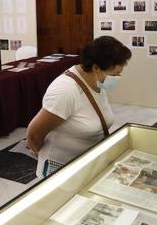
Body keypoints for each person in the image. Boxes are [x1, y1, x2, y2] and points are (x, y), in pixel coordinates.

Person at [27, 36, 131, 177]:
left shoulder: (96, 82)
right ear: (96, 68)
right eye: (115, 74)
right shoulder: (66, 90)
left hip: (84, 163)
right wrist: (39, 151)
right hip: (60, 168)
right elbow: (34, 134)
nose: (118, 77)